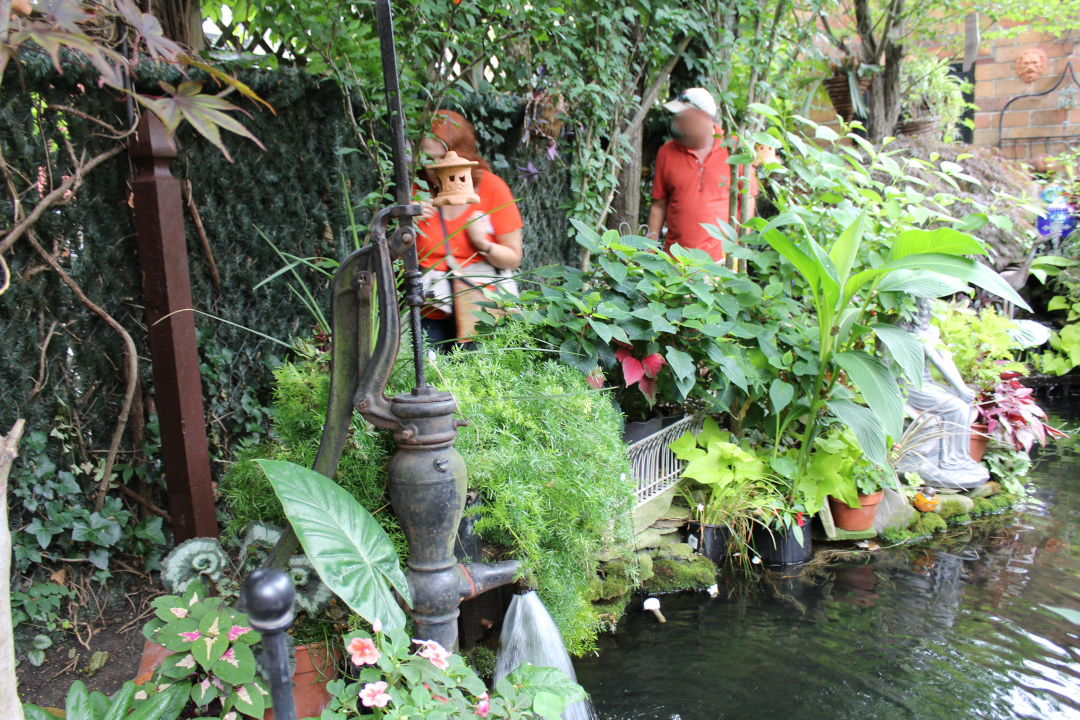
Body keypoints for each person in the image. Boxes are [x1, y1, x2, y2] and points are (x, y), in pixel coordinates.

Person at [414, 110, 523, 350]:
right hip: (428, 313)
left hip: (481, 311)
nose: (432, 168)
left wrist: (482, 243)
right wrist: (407, 224)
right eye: (426, 158)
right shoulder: (416, 190)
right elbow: (391, 256)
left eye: (441, 158)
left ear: (462, 154)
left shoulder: (492, 188)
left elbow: (513, 259)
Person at [646, 87, 757, 262]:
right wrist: (649, 253)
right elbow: (658, 205)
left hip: (721, 261)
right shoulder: (666, 153)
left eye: (682, 116)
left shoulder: (734, 148)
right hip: (675, 261)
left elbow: (748, 199)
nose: (677, 122)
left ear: (702, 117)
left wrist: (736, 248)